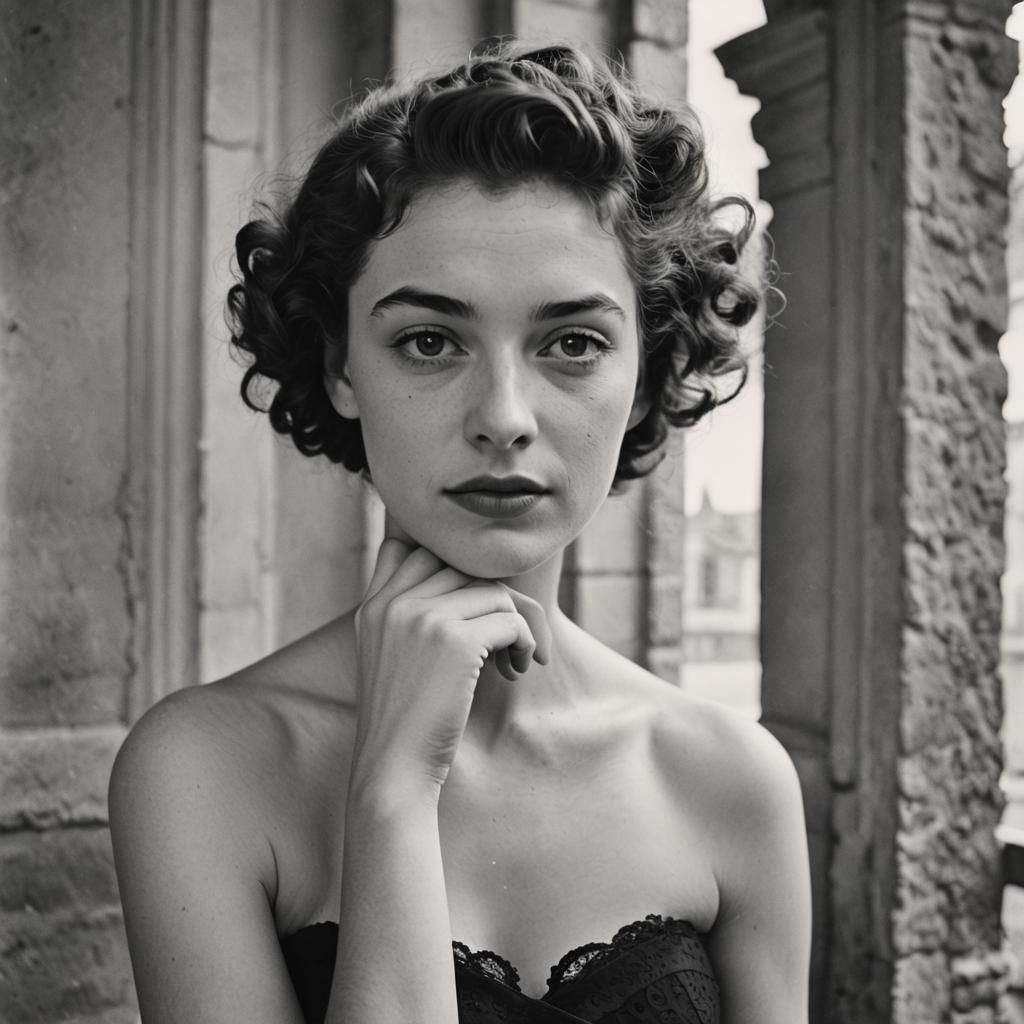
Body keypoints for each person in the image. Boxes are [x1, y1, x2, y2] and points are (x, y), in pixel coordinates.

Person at [109, 40, 811, 1024]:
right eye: (429, 340)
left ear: (644, 371)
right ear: (342, 365)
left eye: (572, 342)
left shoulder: (730, 779)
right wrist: (391, 794)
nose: (505, 415)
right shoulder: (202, 768)